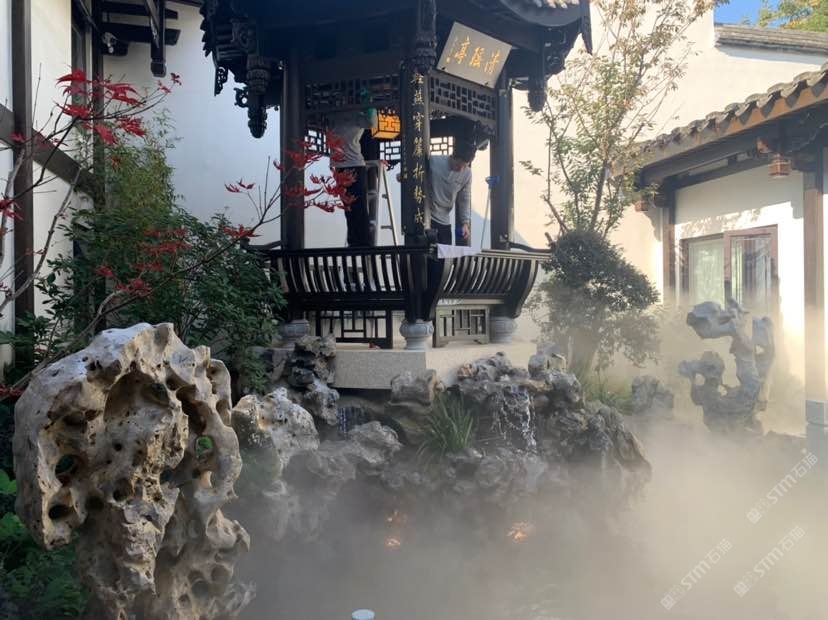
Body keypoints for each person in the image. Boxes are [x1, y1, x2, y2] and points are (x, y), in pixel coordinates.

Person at [328, 107, 378, 247]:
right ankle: (358, 240)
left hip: (346, 165)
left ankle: (359, 241)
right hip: (349, 165)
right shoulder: (356, 115)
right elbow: (372, 123)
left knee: (352, 206)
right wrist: (371, 107)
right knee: (353, 206)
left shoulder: (334, 114)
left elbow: (371, 124)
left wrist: (370, 108)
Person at [428, 141, 476, 245]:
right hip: (427, 217)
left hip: (444, 219)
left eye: (465, 166)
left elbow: (465, 199)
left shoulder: (467, 174)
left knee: (445, 252)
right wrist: (404, 175)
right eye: (458, 165)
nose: (461, 169)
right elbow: (417, 172)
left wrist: (465, 223)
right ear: (453, 156)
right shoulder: (434, 161)